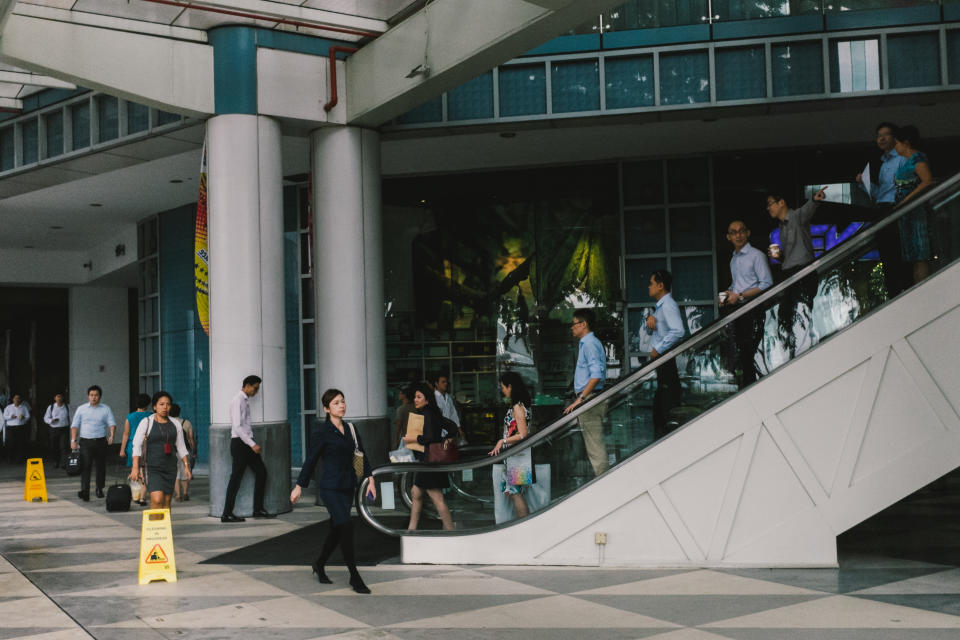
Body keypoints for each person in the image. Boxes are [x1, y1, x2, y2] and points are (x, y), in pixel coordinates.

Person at [290, 388, 377, 594]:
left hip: (348, 486)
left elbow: (360, 456)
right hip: (329, 487)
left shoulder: (351, 429)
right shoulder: (322, 432)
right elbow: (311, 460)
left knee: (337, 529)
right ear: (326, 409)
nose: (342, 405)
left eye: (343, 401)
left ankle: (319, 564)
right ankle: (354, 577)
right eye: (337, 403)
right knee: (345, 526)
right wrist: (299, 486)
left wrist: (370, 479)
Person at [721, 221, 773, 386]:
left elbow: (767, 283)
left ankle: (752, 388)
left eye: (742, 231)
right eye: (734, 232)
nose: (738, 235)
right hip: (738, 309)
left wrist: (740, 295)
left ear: (748, 233)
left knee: (751, 353)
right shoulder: (734, 259)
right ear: (728, 237)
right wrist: (728, 294)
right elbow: (738, 284)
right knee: (741, 354)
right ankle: (744, 388)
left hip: (752, 309)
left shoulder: (756, 255)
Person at [222, 374, 275, 522]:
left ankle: (257, 510)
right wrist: (252, 444)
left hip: (246, 443)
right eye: (255, 388)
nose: (256, 392)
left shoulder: (244, 401)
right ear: (247, 385)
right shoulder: (237, 401)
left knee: (261, 472)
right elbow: (237, 427)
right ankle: (226, 513)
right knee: (236, 478)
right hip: (240, 444)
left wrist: (251, 442)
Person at [562, 308, 608, 476]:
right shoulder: (588, 344)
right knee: (593, 444)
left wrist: (580, 398)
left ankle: (605, 483)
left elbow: (595, 375)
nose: (571, 328)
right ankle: (601, 480)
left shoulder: (589, 344)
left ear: (584, 324)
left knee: (595, 445)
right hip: (590, 397)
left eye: (574, 324)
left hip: (589, 398)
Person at [403, 382, 455, 531]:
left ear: (427, 399)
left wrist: (412, 439)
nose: (416, 399)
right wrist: (447, 439)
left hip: (429, 462)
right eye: (415, 397)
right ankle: (411, 529)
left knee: (437, 498)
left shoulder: (427, 414)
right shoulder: (433, 413)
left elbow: (429, 437)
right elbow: (451, 427)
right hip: (430, 461)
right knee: (416, 493)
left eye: (419, 397)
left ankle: (450, 531)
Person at [129, 391, 191, 510]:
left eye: (168, 404)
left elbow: (181, 447)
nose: (165, 407)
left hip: (170, 467)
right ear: (155, 406)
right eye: (161, 404)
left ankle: (164, 528)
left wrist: (186, 466)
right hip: (152, 468)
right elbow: (136, 445)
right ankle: (155, 528)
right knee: (157, 500)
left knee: (166, 502)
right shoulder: (146, 422)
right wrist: (135, 467)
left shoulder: (176, 424)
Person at [645, 270, 686, 439]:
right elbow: (655, 331)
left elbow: (678, 331)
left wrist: (658, 350)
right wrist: (650, 319)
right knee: (661, 408)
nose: (649, 287)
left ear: (661, 286)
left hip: (665, 360)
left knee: (665, 409)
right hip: (662, 362)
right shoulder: (660, 307)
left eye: (651, 284)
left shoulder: (668, 305)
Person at [488, 371, 534, 519]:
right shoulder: (521, 405)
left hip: (517, 456)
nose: (503, 390)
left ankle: (525, 526)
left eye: (504, 387)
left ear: (510, 387)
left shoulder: (517, 407)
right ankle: (524, 525)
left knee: (515, 493)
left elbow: (522, 434)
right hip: (516, 455)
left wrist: (503, 441)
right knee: (514, 492)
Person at [892, 125, 934, 284]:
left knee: (920, 253)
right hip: (908, 214)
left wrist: (906, 200)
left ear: (906, 143)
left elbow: (927, 181)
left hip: (916, 212)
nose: (895, 147)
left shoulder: (917, 159)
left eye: (897, 143)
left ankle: (924, 288)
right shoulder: (907, 161)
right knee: (914, 256)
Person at [69, 385, 117, 501]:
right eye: (91, 395)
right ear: (88, 396)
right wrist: (73, 440)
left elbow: (112, 423)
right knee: (86, 466)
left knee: (101, 467)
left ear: (100, 396)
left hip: (100, 441)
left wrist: (112, 435)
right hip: (85, 442)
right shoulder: (81, 409)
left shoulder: (105, 409)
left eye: (96, 395)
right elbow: (75, 425)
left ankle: (99, 488)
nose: (94, 397)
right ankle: (85, 491)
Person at [766, 187, 827, 276]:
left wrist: (814, 200)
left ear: (781, 202)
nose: (768, 208)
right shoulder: (782, 227)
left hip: (804, 271)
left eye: (770, 204)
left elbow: (806, 210)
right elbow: (788, 257)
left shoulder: (796, 217)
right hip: (790, 274)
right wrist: (779, 256)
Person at [119, 393, 152, 506]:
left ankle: (136, 495)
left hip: (132, 446)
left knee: (135, 470)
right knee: (144, 471)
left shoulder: (130, 417)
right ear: (148, 404)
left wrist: (122, 449)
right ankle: (142, 497)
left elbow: (126, 434)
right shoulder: (151, 416)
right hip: (147, 446)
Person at [171, 404, 196, 502]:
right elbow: (190, 439)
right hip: (185, 451)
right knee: (185, 472)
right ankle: (185, 493)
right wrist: (193, 451)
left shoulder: (168, 422)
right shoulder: (186, 423)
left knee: (175, 474)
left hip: (172, 452)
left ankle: (178, 495)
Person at [433, 373, 466, 442]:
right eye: (443, 382)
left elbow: (453, 414)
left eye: (446, 382)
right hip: (437, 433)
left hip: (449, 432)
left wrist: (459, 429)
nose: (445, 384)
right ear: (436, 384)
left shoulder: (448, 397)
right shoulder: (433, 398)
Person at [43, 393, 71, 468]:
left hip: (64, 429)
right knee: (54, 446)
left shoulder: (67, 406)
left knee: (64, 446)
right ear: (55, 398)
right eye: (57, 397)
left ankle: (64, 463)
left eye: (60, 397)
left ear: (63, 398)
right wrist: (51, 420)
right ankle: (56, 461)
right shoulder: (51, 407)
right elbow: (46, 418)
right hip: (54, 429)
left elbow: (72, 416)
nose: (59, 398)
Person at [3, 393, 31, 464]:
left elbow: (28, 416)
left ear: (20, 400)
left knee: (20, 443)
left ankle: (19, 459)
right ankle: (9, 458)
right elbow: (4, 417)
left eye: (18, 398)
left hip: (20, 427)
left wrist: (24, 418)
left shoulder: (24, 407)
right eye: (15, 398)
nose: (17, 400)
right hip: (11, 428)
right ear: (13, 399)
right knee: (11, 443)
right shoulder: (8, 407)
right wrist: (10, 417)